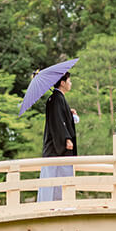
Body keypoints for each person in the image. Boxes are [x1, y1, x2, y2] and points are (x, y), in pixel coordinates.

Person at [37, 72, 77, 202]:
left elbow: (61, 118)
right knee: (54, 176)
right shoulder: (56, 99)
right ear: (62, 83)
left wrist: (69, 113)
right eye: (69, 81)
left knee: (59, 176)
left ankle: (61, 203)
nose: (70, 83)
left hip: (57, 146)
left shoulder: (57, 98)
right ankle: (53, 204)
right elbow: (57, 121)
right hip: (56, 146)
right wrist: (66, 138)